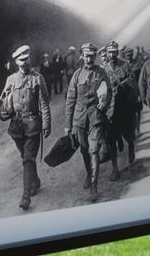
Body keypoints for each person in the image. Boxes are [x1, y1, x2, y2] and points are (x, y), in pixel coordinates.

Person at [0, 45, 51, 210]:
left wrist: (46, 124)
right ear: (16, 63)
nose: (24, 64)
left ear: (29, 59)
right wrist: (4, 105)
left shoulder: (37, 78)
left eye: (26, 60)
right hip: (17, 127)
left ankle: (26, 196)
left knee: (28, 159)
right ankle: (35, 181)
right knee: (26, 157)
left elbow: (44, 103)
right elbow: (4, 101)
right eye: (21, 61)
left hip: (33, 124)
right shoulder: (11, 79)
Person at [64, 42, 113, 201]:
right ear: (82, 56)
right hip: (79, 120)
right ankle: (89, 173)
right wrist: (67, 125)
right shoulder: (76, 75)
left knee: (93, 150)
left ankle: (94, 185)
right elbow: (70, 100)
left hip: (95, 118)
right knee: (84, 151)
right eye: (86, 56)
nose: (89, 59)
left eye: (92, 56)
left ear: (95, 56)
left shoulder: (101, 73)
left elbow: (109, 91)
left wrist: (104, 104)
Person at [103, 40, 139, 171]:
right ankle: (114, 168)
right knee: (111, 138)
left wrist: (122, 84)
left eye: (114, 52)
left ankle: (131, 147)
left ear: (117, 52)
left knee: (129, 135)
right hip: (111, 110)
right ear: (107, 53)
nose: (112, 55)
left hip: (124, 107)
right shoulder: (104, 70)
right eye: (110, 52)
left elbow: (133, 82)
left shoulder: (125, 66)